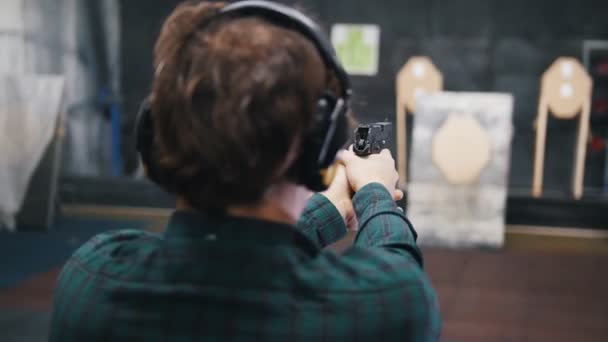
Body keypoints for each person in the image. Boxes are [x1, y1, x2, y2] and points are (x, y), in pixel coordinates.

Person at [49, 1, 441, 341]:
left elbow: (228, 260)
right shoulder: (384, 308)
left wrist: (327, 210)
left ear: (157, 132)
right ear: (319, 143)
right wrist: (374, 192)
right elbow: (396, 272)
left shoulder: (93, 280)